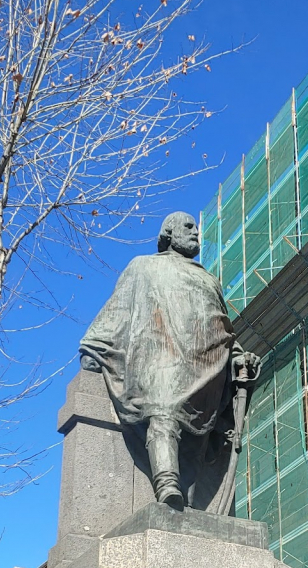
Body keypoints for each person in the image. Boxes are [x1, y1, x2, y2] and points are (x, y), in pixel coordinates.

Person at [80, 212, 260, 511]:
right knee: (164, 409)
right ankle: (166, 483)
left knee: (196, 440)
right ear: (168, 232)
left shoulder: (208, 280)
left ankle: (186, 505)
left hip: (205, 365)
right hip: (159, 358)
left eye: (197, 229)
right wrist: (95, 346)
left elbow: (221, 327)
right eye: (188, 227)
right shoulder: (144, 266)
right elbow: (119, 308)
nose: (195, 233)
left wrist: (240, 356)